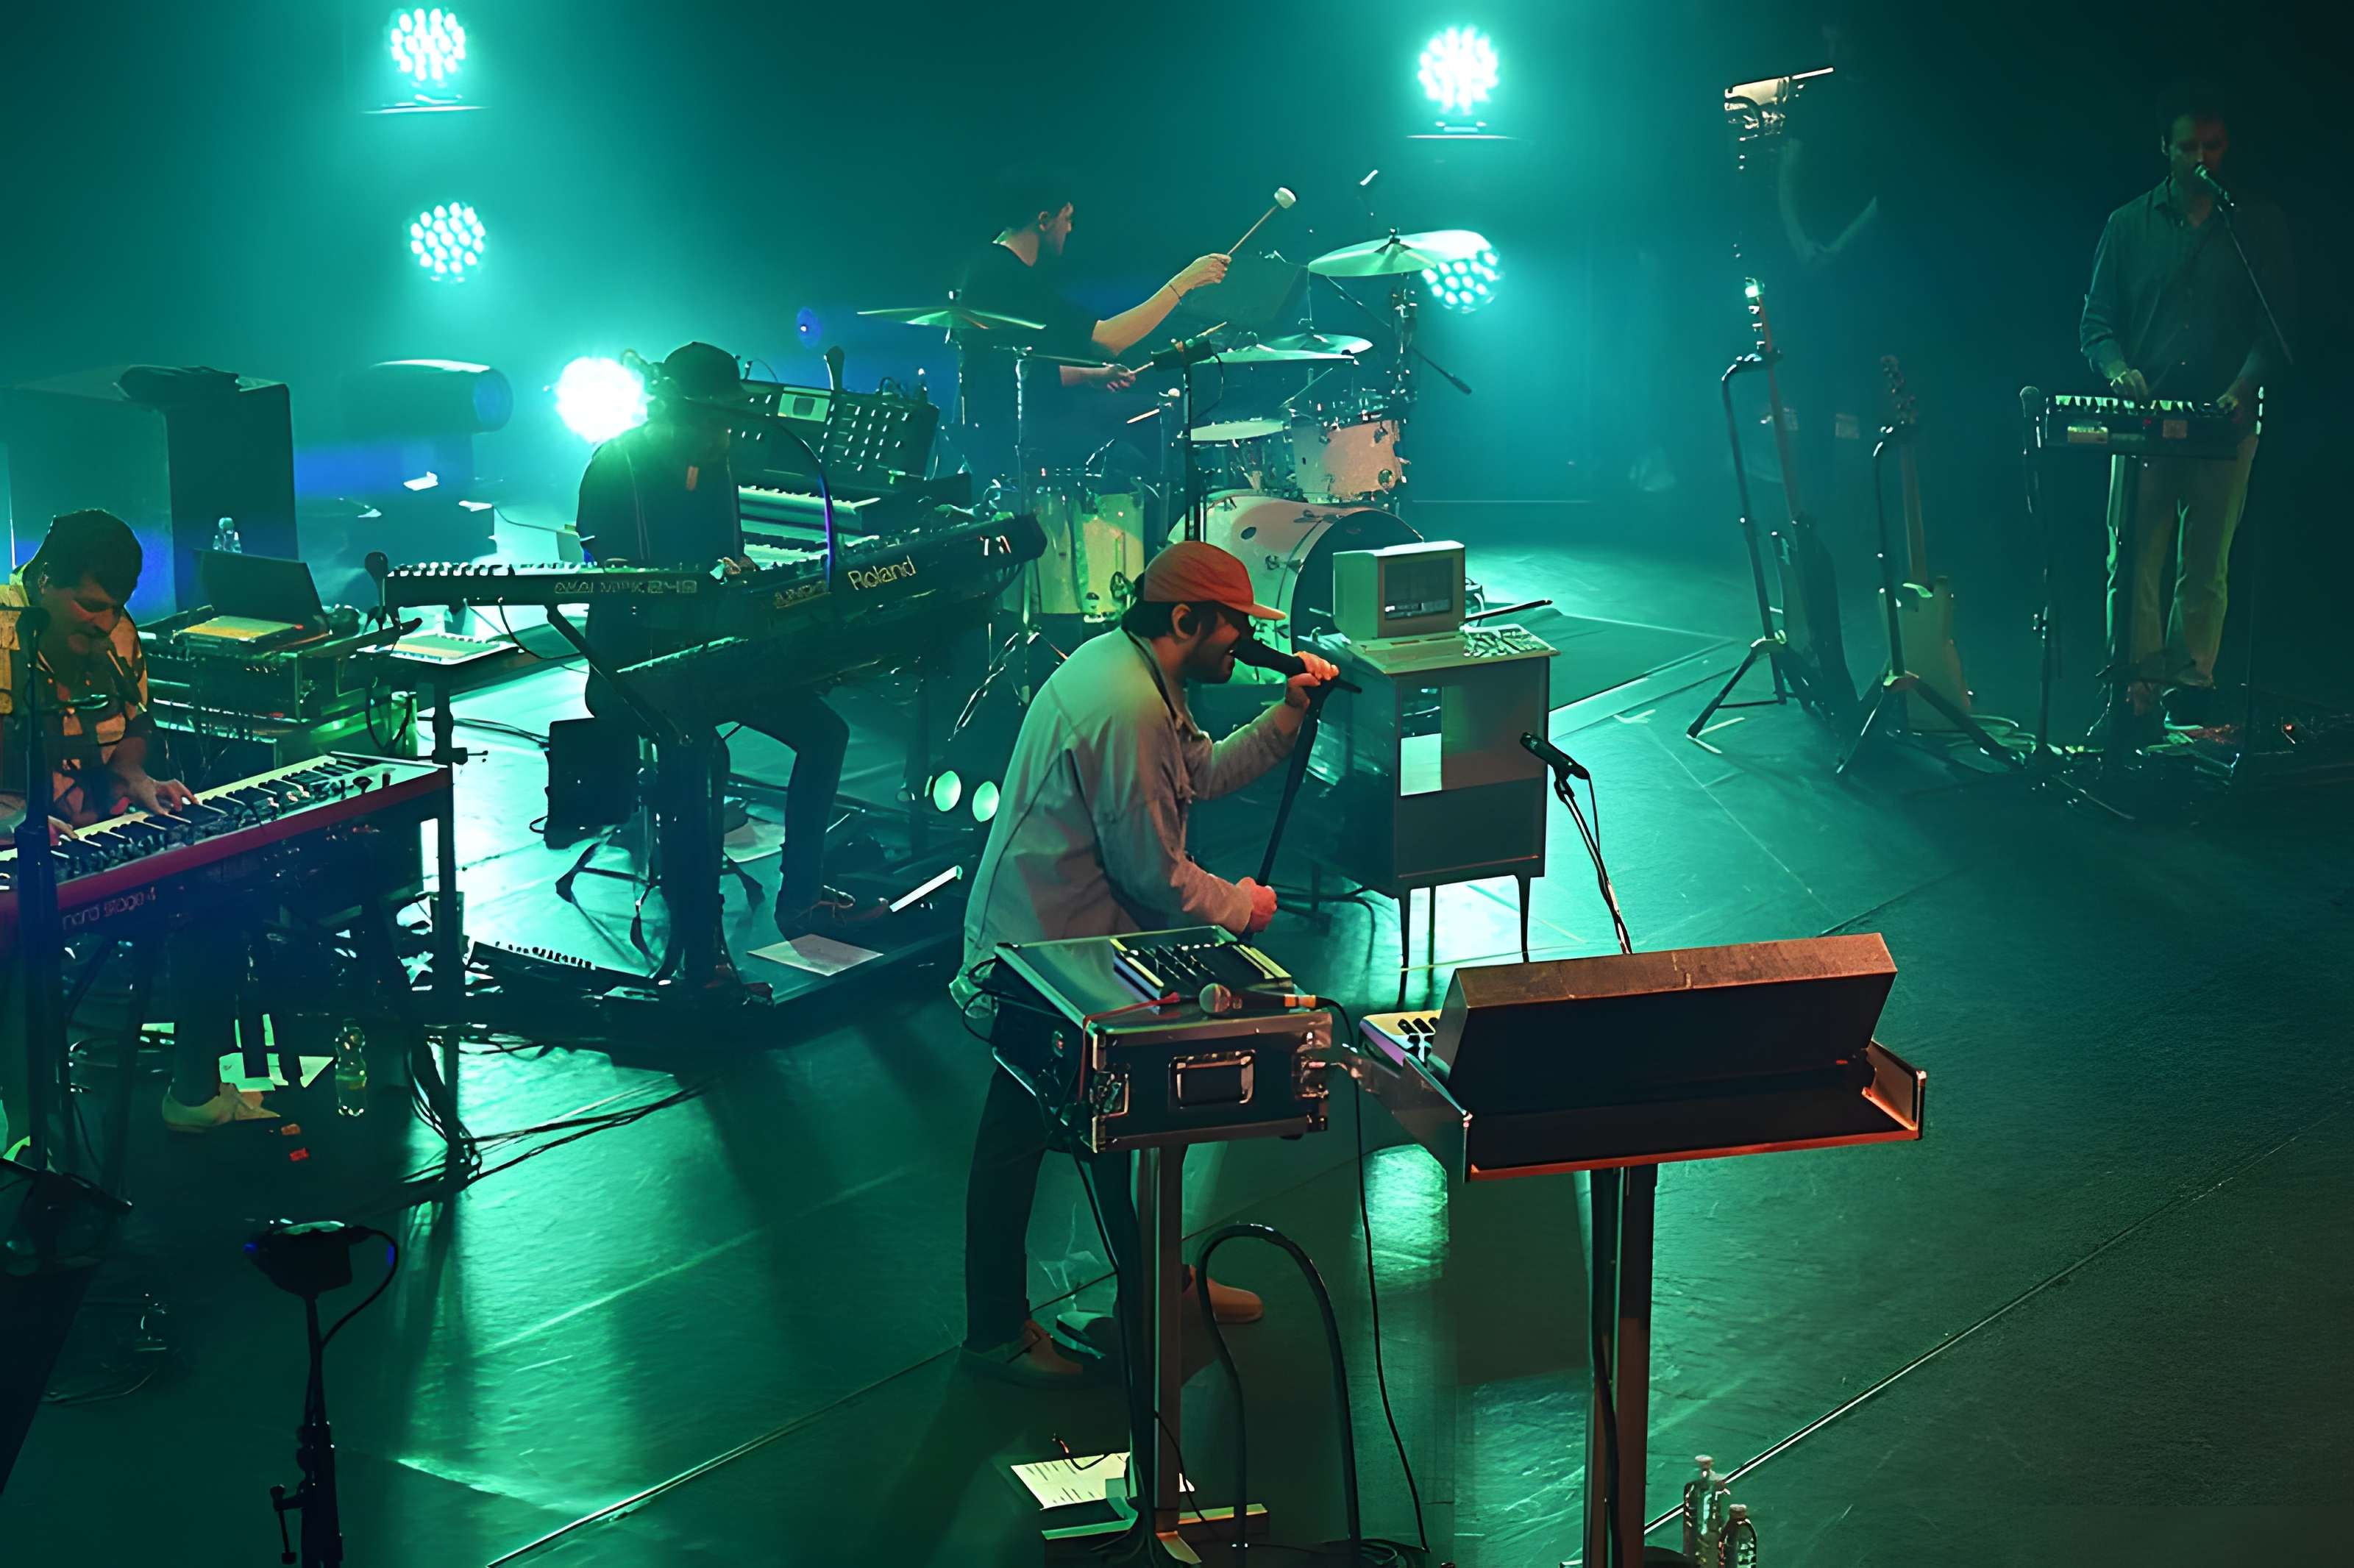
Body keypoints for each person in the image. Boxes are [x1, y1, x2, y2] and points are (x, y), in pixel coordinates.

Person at [956, 540, 1339, 1386]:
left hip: (1073, 944)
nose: (1240, 642)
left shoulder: (1132, 670)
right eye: (1233, 627)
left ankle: (1154, 1284)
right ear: (1183, 619)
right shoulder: (1126, 705)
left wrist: (1283, 716)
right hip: (1036, 956)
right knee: (1015, 1140)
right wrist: (1242, 908)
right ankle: (993, 1333)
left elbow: (1194, 772)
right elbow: (1153, 872)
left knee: (1123, 1125)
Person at [575, 342, 883, 946]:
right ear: (678, 413)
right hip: (635, 666)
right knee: (702, 754)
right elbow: (606, 572)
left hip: (711, 656)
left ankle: (803, 899)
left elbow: (728, 556)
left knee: (826, 733)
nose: (728, 434)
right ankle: (701, 935)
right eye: (719, 419)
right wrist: (695, 577)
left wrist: (746, 579)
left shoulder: (716, 468)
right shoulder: (616, 466)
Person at [0, 510, 261, 1153]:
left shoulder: (119, 635)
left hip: (103, 842)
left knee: (223, 891)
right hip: (16, 855)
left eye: (115, 608)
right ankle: (36, 1138)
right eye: (89, 606)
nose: (105, 622)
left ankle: (195, 1093)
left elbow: (132, 734)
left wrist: (136, 779)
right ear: (44, 582)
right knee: (17, 948)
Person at [2079, 87, 2294, 741]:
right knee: (2136, 557)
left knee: (2207, 564)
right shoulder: (2127, 225)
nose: (2202, 159)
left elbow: (2276, 326)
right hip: (2147, 420)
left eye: (2213, 146)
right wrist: (2119, 372)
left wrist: (2245, 384)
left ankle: (2190, 690)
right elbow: (2096, 325)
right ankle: (2134, 690)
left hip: (2225, 419)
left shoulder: (2254, 224)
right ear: (2165, 150)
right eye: (2189, 147)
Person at [950, 168, 1231, 479]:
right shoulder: (1004, 276)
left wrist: (1092, 375)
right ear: (1044, 220)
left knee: (1155, 413)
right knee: (1141, 451)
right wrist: (1185, 282)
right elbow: (1107, 340)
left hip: (1021, 414)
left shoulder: (995, 267)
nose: (1069, 229)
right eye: (1066, 219)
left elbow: (1023, 368)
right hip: (1014, 428)